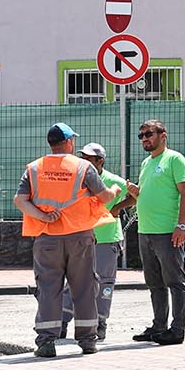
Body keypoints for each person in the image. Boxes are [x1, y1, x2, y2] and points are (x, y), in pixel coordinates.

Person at [13, 122, 111, 357]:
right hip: (80, 237)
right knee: (85, 287)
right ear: (68, 142)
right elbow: (105, 197)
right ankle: (88, 341)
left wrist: (44, 216)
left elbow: (20, 200)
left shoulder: (34, 168)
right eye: (73, 140)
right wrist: (116, 192)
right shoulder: (83, 167)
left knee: (48, 289)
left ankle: (46, 342)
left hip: (47, 238)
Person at [60, 141, 133, 342]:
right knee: (74, 281)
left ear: (100, 161)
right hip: (80, 237)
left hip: (106, 239)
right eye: (82, 158)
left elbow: (135, 195)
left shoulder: (113, 180)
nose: (83, 161)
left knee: (104, 282)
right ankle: (61, 321)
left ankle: (100, 323)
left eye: (88, 159)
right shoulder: (76, 179)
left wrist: (118, 208)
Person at [133, 117, 185, 345]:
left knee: (175, 282)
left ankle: (177, 330)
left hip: (168, 232)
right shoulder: (147, 163)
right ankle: (159, 326)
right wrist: (135, 192)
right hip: (145, 231)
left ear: (162, 136)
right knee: (154, 283)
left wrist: (181, 225)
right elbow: (148, 194)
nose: (144, 139)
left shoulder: (174, 159)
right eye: (141, 136)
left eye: (149, 134)